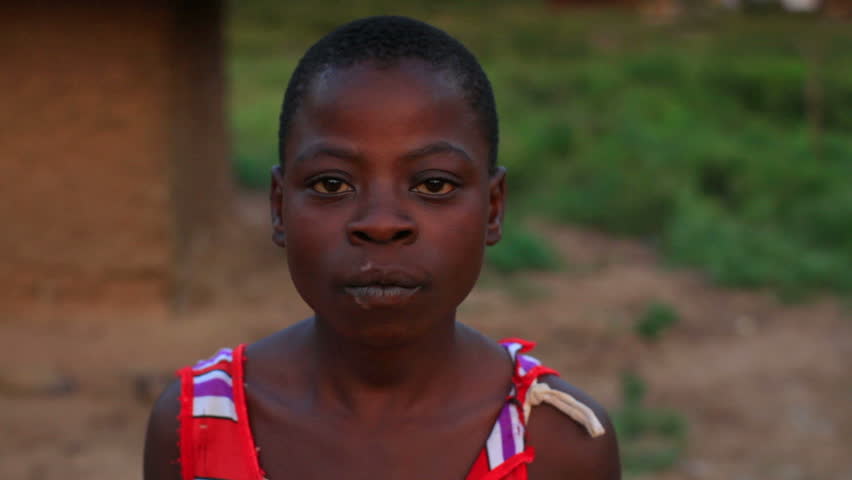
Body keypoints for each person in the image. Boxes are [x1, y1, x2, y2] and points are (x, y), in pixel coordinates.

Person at [143, 15, 620, 480]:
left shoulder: (559, 442)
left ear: (493, 209)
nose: (381, 223)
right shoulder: (196, 430)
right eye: (332, 184)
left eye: (434, 184)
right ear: (279, 206)